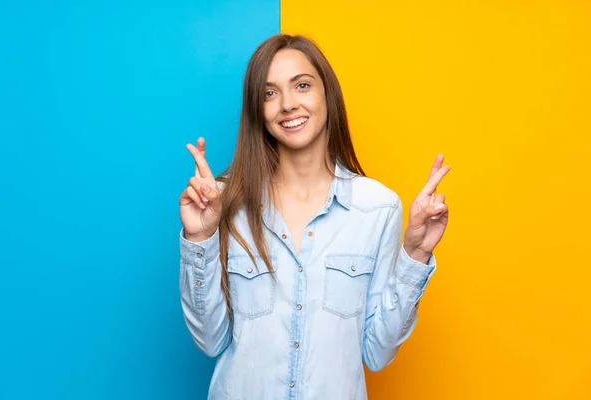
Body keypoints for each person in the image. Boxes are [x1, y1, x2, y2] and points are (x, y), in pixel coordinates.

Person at [178, 34, 450, 400]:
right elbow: (210, 341)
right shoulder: (223, 202)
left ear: (327, 95)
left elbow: (378, 353)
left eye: (302, 86)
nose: (288, 104)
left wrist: (415, 255)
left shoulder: (378, 208)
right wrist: (200, 239)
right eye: (269, 93)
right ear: (257, 110)